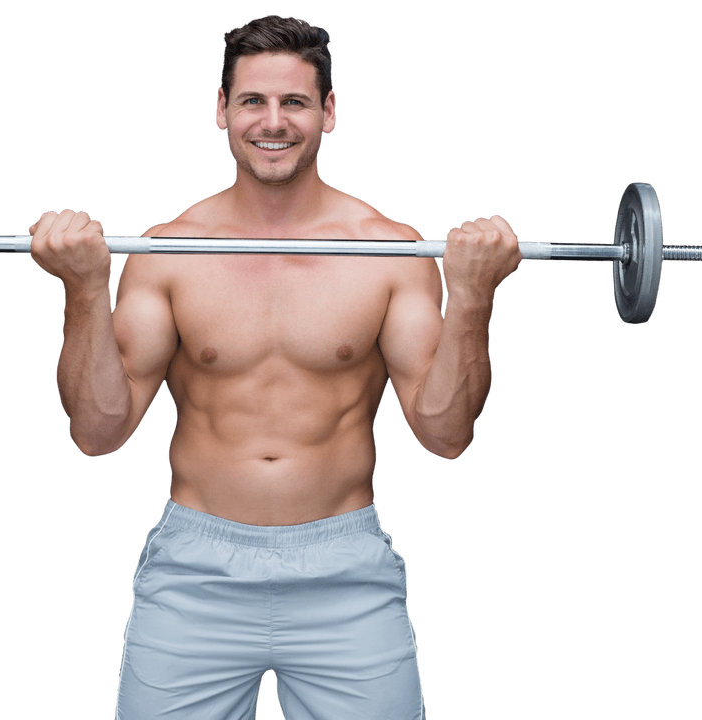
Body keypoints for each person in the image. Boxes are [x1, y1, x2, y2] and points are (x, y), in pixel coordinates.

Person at [29, 14, 521, 720]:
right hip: (194, 573)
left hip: (345, 574)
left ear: (328, 113)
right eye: (253, 101)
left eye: (294, 102)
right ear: (221, 109)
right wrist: (83, 287)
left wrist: (472, 295)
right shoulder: (167, 250)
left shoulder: (390, 249)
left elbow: (445, 436)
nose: (273, 121)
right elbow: (98, 432)